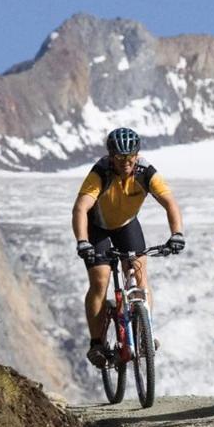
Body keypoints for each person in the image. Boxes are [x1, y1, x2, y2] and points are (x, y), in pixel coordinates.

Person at [72, 127, 185, 367]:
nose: (126, 162)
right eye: (120, 157)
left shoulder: (146, 172)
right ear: (111, 155)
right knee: (100, 280)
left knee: (140, 276)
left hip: (126, 225)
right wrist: (82, 241)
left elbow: (170, 203)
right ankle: (97, 344)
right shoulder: (100, 172)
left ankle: (144, 331)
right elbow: (81, 208)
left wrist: (177, 234)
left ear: (137, 153)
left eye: (130, 156)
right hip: (97, 226)